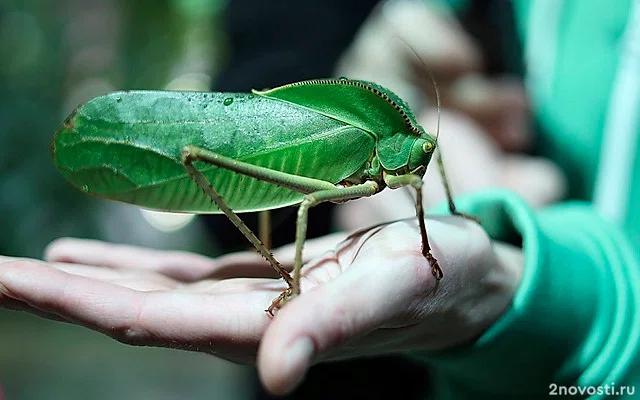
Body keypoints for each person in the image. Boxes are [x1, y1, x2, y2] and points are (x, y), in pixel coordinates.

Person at [1, 1, 638, 399]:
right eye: (412, 151)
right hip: (257, 145)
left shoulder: (409, 148)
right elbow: (309, 204)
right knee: (209, 160)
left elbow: (426, 159)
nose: (419, 159)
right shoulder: (379, 131)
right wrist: (289, 275)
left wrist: (444, 228)